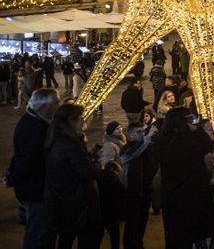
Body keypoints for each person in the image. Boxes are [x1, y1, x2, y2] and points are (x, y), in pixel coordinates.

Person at [154, 108, 214, 249]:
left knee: (176, 236)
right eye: (190, 119)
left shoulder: (161, 139)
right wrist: (196, 130)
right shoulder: (186, 142)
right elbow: (209, 144)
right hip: (191, 195)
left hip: (171, 195)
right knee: (192, 234)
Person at [44, 103, 102, 249]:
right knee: (90, 237)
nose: (84, 120)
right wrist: (97, 165)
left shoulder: (54, 138)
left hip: (62, 200)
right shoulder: (70, 144)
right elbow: (87, 172)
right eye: (81, 118)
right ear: (71, 121)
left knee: (66, 238)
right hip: (78, 203)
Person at [7, 87, 59, 249]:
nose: (58, 106)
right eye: (56, 103)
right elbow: (27, 160)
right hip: (35, 190)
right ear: (46, 106)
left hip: (33, 188)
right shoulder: (35, 128)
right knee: (37, 234)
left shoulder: (34, 121)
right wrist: (12, 178)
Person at [120, 122, 159, 249]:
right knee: (132, 221)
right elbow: (133, 153)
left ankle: (138, 243)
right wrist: (148, 137)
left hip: (146, 191)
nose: (142, 134)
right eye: (138, 132)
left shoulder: (147, 146)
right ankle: (129, 245)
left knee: (142, 220)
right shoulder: (125, 149)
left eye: (143, 131)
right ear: (129, 135)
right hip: (132, 192)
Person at [97, 161, 125, 249]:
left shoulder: (97, 180)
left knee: (96, 239)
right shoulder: (117, 183)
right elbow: (122, 200)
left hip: (98, 215)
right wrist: (122, 216)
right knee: (115, 239)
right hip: (113, 217)